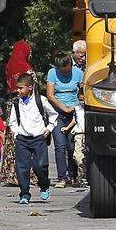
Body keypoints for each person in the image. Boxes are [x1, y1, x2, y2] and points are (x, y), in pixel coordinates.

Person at [8, 73, 58, 204]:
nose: (18, 90)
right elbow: (12, 121)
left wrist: (49, 128)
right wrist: (16, 133)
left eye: (21, 88)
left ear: (30, 87)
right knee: (22, 167)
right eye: (17, 88)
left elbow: (53, 114)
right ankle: (24, 194)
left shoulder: (40, 100)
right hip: (22, 139)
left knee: (40, 166)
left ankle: (44, 185)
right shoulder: (16, 103)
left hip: (38, 138)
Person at [0, 40, 34, 185]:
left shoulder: (9, 66)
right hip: (26, 107)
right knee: (28, 137)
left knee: (13, 137)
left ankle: (11, 175)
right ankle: (27, 174)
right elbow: (34, 89)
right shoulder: (27, 69)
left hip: (11, 105)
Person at [46, 52, 82, 187]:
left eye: (69, 69)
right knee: (60, 146)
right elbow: (50, 95)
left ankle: (74, 175)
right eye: (64, 70)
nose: (67, 72)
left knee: (72, 146)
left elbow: (83, 90)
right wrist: (64, 108)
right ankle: (62, 177)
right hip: (58, 113)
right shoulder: (52, 73)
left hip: (74, 113)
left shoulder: (78, 72)